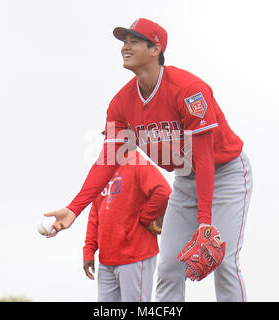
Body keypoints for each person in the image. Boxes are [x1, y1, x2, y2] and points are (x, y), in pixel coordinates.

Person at [45, 18, 253, 302]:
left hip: (226, 172)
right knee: (168, 265)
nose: (125, 47)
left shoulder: (188, 89)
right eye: (123, 41)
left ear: (155, 49)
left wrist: (205, 222)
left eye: (133, 41)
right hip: (185, 177)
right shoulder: (121, 104)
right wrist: (74, 208)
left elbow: (204, 157)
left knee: (224, 263)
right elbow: (108, 161)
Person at [82, 148, 171, 302]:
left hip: (135, 254)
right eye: (107, 134)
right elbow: (95, 213)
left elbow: (163, 192)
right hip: (107, 259)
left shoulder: (137, 162)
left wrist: (145, 217)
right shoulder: (103, 166)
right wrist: (89, 250)